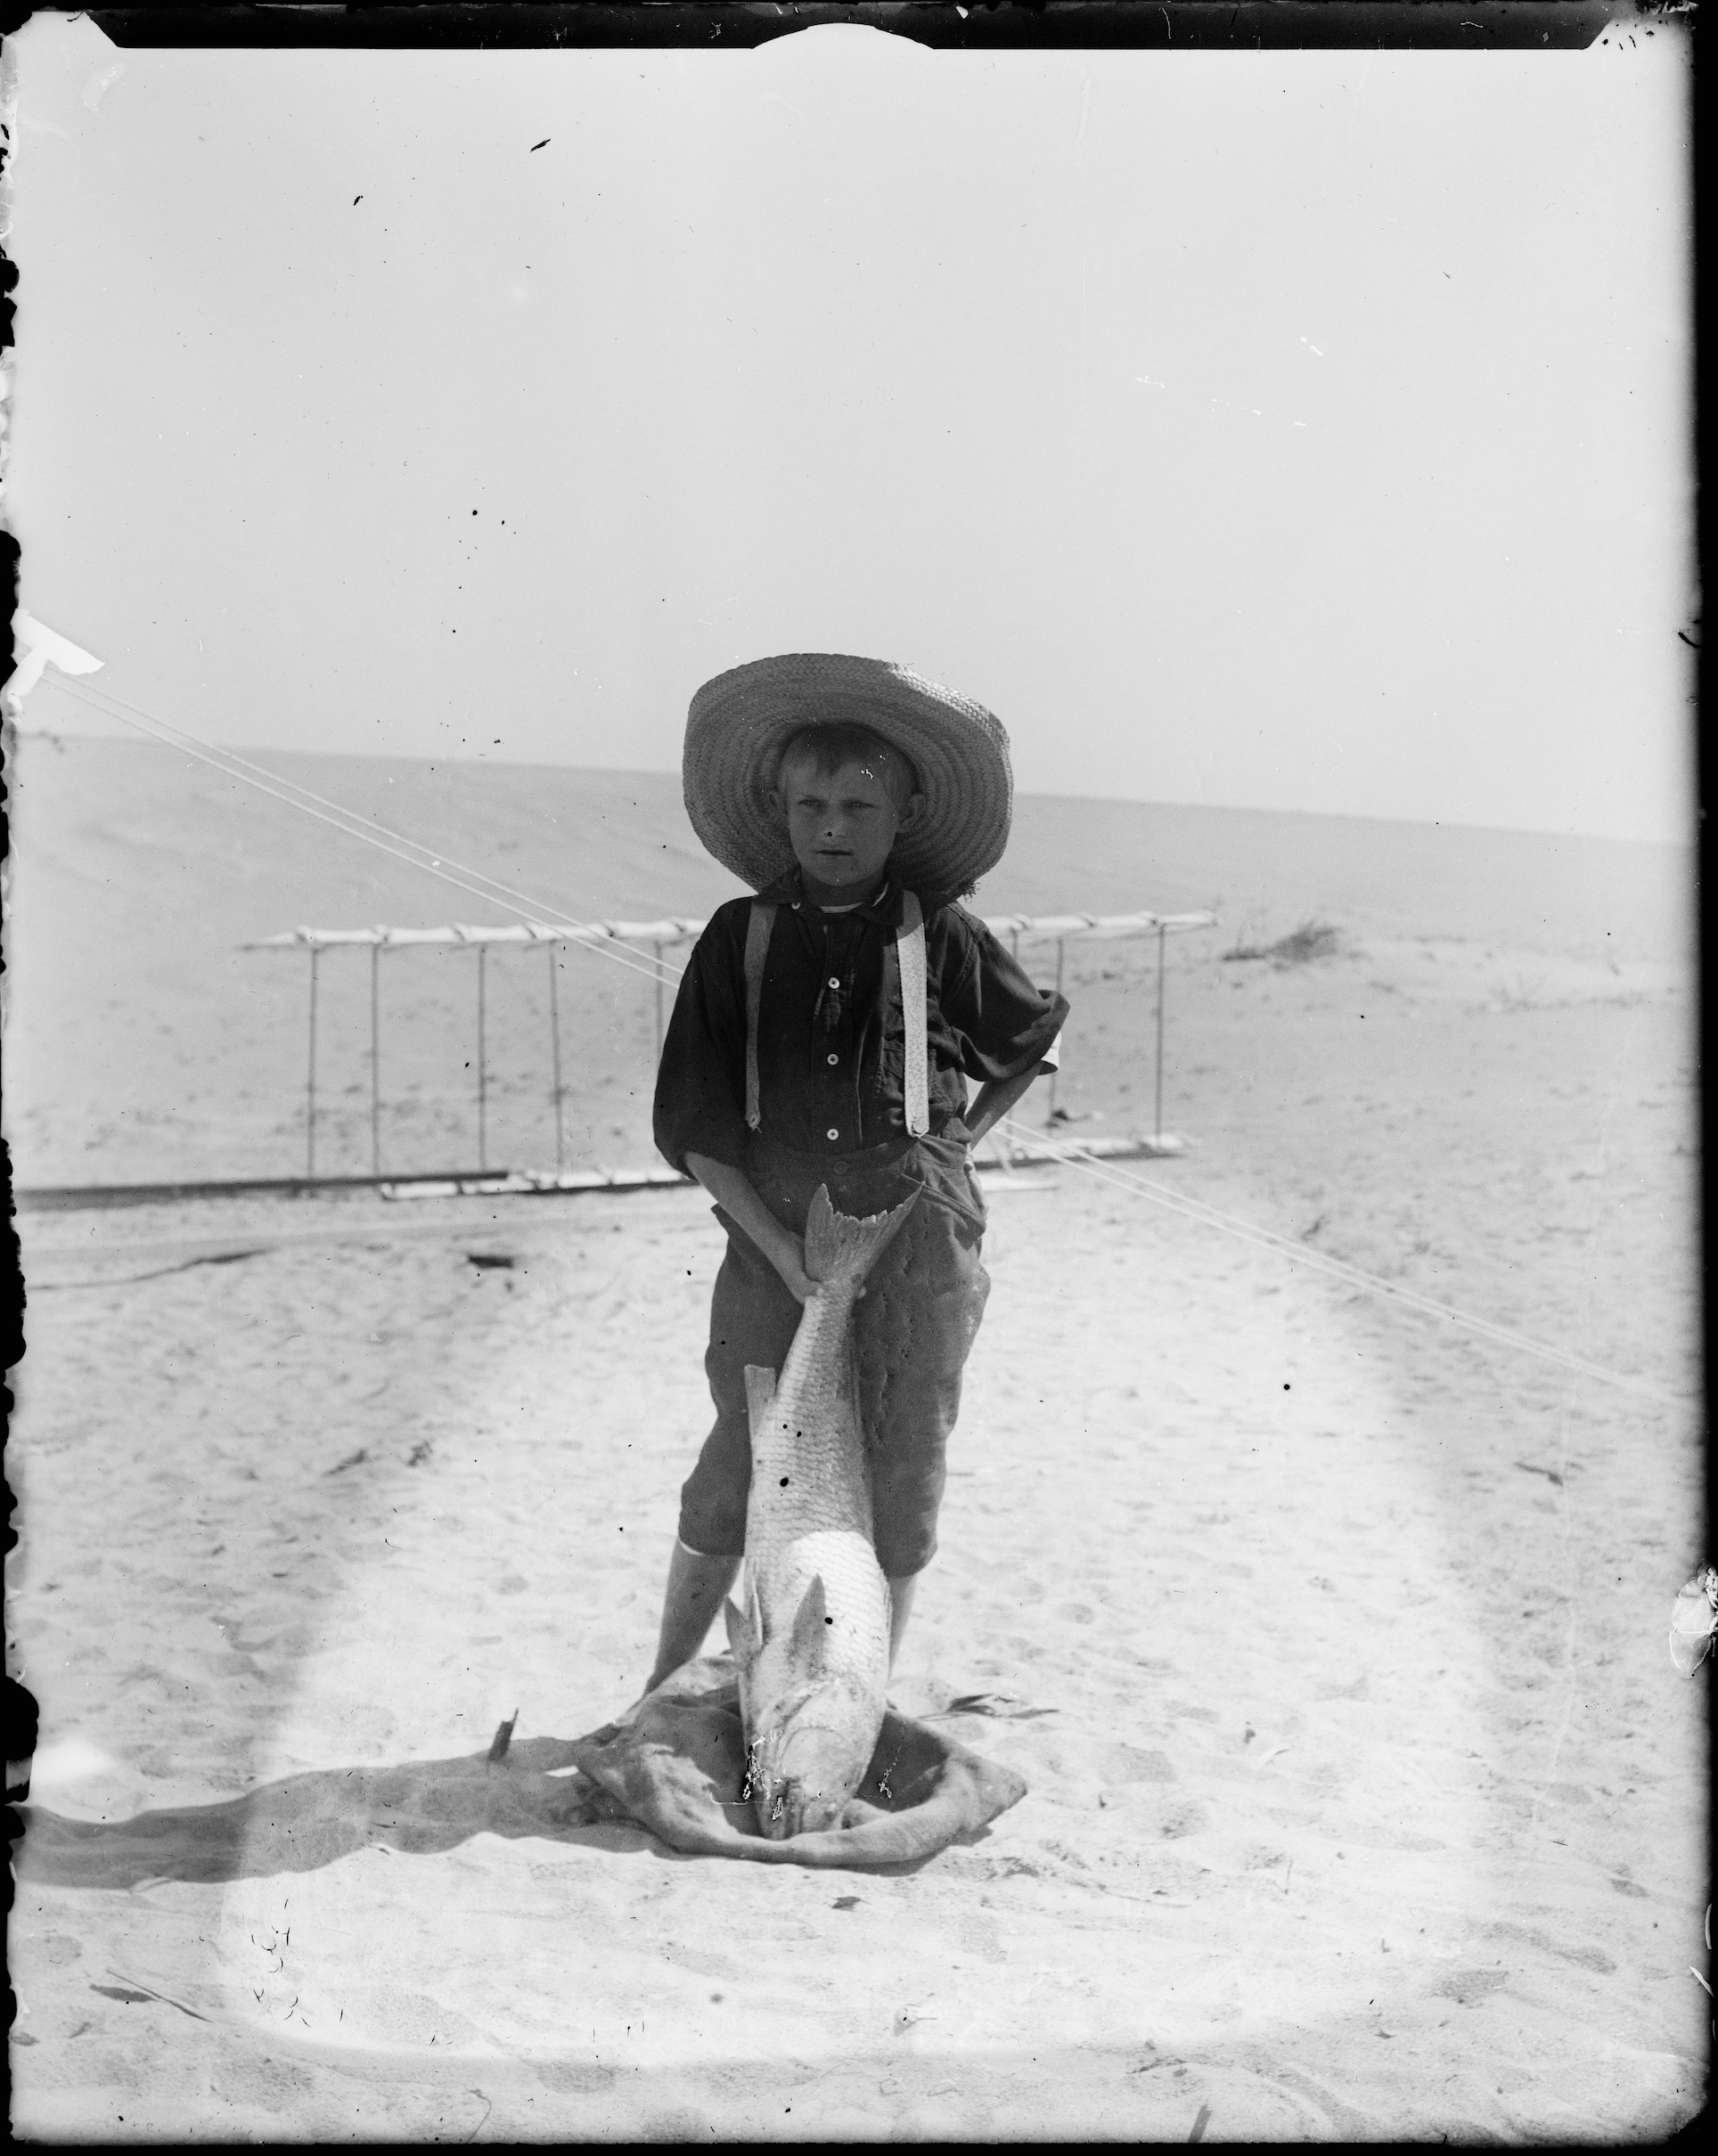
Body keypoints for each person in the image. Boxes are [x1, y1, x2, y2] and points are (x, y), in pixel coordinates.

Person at [645, 652, 1069, 1694]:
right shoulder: (734, 938)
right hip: (768, 1235)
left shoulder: (942, 934)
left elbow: (1027, 1043)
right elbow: (694, 1124)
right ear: (780, 812)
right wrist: (780, 1248)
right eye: (811, 805)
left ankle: (854, 1695)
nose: (832, 826)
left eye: (857, 805)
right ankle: (659, 1678)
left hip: (917, 1237)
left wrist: (955, 1141)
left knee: (903, 1465)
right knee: (736, 1467)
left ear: (904, 812)